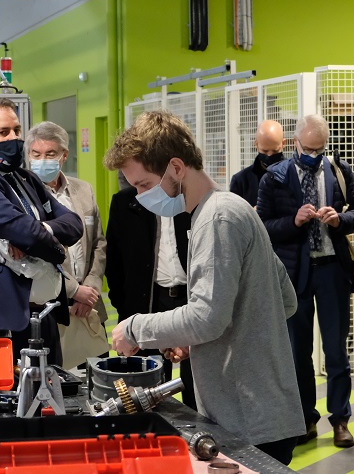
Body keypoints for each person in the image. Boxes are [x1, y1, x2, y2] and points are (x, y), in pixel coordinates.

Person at [106, 110, 303, 465]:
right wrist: (194, 337)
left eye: (144, 185)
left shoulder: (217, 219)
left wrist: (134, 327)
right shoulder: (231, 209)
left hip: (249, 418)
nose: (139, 197)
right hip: (260, 411)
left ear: (177, 168)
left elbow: (207, 317)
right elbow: (284, 300)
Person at [256, 113, 354, 448]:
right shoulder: (274, 177)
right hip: (294, 275)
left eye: (320, 149)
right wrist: (294, 220)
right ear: (295, 144)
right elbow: (262, 226)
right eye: (308, 149)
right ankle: (305, 418)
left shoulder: (339, 171)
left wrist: (339, 219)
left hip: (332, 269)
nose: (314, 155)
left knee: (336, 351)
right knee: (297, 352)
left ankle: (341, 420)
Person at [0, 98, 83, 363]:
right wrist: (43, 240)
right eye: (3, 132)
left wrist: (42, 229)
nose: (14, 138)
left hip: (42, 314)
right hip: (0, 319)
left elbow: (72, 222)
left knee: (49, 394)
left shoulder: (25, 178)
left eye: (17, 130)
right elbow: (26, 232)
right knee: (6, 400)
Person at [24, 121, 108, 369]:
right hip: (49, 307)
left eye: (50, 154)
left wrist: (90, 289)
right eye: (36, 154)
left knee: (95, 380)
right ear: (28, 156)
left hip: (88, 306)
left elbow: (99, 244)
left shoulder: (83, 190)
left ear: (64, 156)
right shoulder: (21, 196)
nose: (43, 160)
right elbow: (31, 256)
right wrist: (73, 290)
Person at [105, 185, 197, 410]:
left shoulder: (191, 197)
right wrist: (125, 308)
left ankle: (202, 435)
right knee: (149, 385)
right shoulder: (126, 202)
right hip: (150, 301)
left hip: (191, 298)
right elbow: (114, 262)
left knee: (197, 377)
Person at [229, 120, 285, 206]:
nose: (269, 155)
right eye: (265, 151)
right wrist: (252, 213)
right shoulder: (241, 181)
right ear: (256, 144)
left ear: (283, 143)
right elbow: (233, 216)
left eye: (275, 151)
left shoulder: (295, 175)